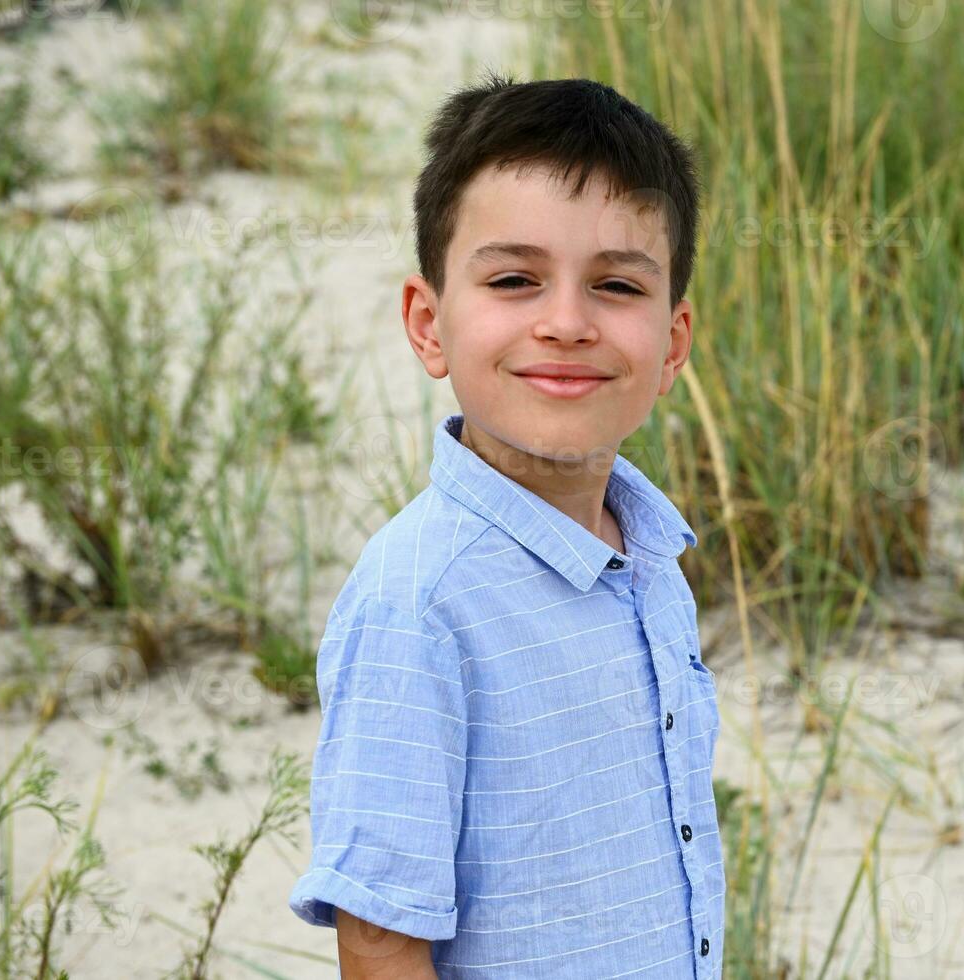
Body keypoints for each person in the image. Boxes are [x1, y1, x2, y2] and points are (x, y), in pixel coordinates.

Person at [287, 71, 723, 979]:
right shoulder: (420, 603)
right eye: (515, 279)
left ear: (673, 343)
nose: (566, 323)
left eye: (615, 286)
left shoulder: (649, 559)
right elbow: (379, 940)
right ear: (428, 322)